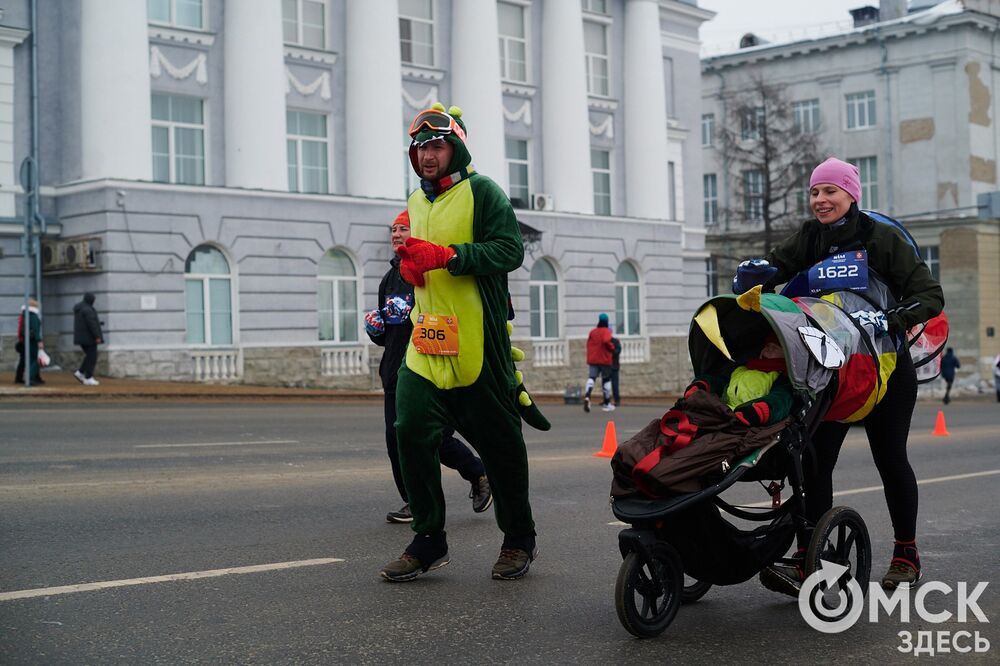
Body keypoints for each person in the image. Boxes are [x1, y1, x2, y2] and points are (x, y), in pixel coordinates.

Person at [742, 157, 943, 593]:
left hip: (885, 369)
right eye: (815, 192)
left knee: (890, 460)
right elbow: (774, 273)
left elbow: (929, 294)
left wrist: (896, 317)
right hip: (833, 370)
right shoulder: (810, 237)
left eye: (830, 191)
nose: (820, 200)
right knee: (814, 463)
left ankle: (905, 554)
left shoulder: (879, 236)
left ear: (852, 194)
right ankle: (809, 558)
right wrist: (753, 279)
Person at [380, 103, 546, 582]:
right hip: (426, 340)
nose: (427, 156)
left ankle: (519, 538)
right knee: (409, 428)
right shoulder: (415, 202)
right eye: (420, 148)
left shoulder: (483, 191)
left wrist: (449, 257)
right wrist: (412, 269)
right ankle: (429, 538)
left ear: (455, 148)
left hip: (476, 343)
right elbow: (419, 263)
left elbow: (510, 250)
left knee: (502, 448)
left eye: (436, 146)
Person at [365, 210, 492, 524]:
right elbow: (387, 337)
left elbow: (448, 321)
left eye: (402, 227)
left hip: (427, 370)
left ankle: (478, 474)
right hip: (394, 371)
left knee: (435, 437)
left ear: (417, 230)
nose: (395, 234)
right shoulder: (389, 278)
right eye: (392, 229)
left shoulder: (433, 273)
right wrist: (377, 329)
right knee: (396, 440)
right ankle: (414, 502)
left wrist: (416, 319)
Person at [584, 313, 615, 413]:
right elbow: (606, 341)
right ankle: (607, 403)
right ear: (606, 321)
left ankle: (587, 395)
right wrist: (612, 348)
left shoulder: (593, 332)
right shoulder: (607, 331)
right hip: (604, 359)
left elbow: (588, 344)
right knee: (606, 380)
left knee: (591, 378)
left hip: (593, 359)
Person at [73, 293, 104, 386]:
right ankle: (88, 377)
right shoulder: (88, 310)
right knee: (92, 357)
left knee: (89, 356)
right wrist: (97, 336)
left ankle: (80, 372)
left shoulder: (80, 309)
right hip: (89, 338)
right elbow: (91, 324)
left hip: (82, 337)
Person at [14, 299, 44, 385]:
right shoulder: (33, 316)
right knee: (36, 359)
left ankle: (32, 377)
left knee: (30, 359)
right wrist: (39, 340)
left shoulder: (25, 315)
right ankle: (30, 377)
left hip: (26, 340)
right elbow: (35, 329)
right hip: (33, 341)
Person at [610, 335, 622, 407]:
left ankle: (617, 400)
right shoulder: (605, 341)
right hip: (606, 366)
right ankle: (606, 400)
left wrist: (610, 352)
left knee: (615, 384)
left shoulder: (615, 341)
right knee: (605, 384)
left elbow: (618, 351)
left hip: (614, 366)